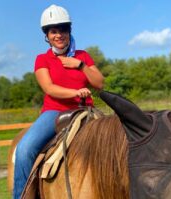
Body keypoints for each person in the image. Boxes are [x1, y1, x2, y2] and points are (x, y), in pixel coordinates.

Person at [13, 4, 104, 198]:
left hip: (86, 111)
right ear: (47, 35)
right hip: (55, 113)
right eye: (53, 31)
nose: (59, 35)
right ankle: (20, 195)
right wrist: (76, 92)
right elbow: (49, 88)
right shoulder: (42, 59)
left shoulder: (83, 56)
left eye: (63, 30)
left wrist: (80, 66)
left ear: (69, 31)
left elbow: (99, 83)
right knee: (24, 149)